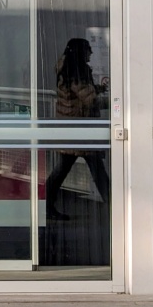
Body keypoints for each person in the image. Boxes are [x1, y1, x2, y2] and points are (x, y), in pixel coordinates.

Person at [45, 37, 111, 221]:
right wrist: (116, 103)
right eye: (88, 49)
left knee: (63, 171)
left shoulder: (68, 71)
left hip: (71, 129)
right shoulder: (77, 73)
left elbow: (81, 94)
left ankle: (47, 206)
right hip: (80, 130)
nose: (91, 52)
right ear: (81, 52)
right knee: (96, 171)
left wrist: (96, 88)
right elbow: (88, 99)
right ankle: (116, 208)